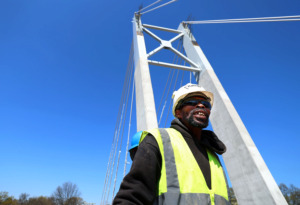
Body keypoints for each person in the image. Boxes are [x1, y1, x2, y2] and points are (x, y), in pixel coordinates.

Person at [113, 83, 229, 205]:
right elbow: (131, 196)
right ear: (178, 113)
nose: (201, 105)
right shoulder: (158, 140)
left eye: (206, 104)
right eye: (192, 102)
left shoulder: (213, 154)